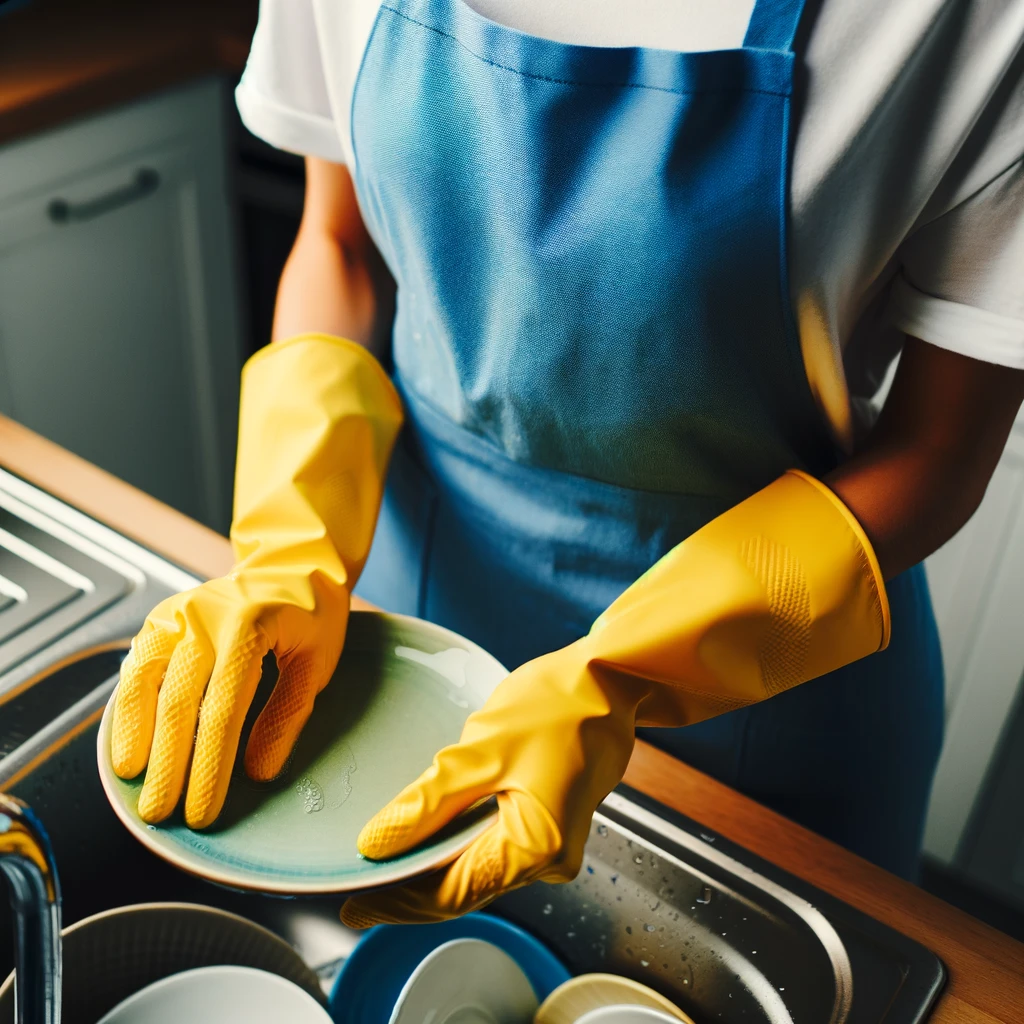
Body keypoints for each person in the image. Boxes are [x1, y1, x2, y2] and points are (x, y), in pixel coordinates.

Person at [111, 0, 1024, 925]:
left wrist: (616, 677)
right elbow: (337, 245)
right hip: (415, 626)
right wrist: (283, 545)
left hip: (770, 674)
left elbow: (939, 451)